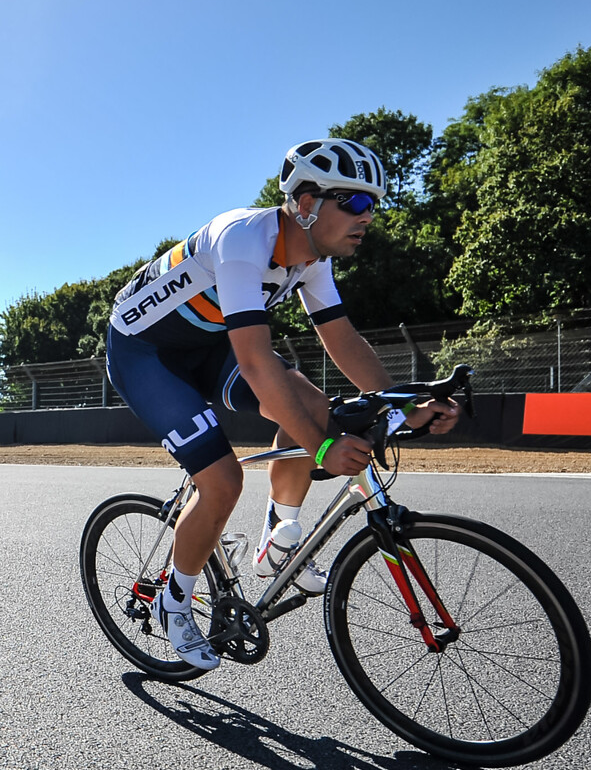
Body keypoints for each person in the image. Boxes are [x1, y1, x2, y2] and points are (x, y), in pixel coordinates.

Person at [105, 138, 460, 671]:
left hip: (207, 346)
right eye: (356, 203)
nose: (368, 218)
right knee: (223, 480)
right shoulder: (243, 240)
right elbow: (255, 362)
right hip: (146, 354)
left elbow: (341, 339)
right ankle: (174, 602)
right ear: (307, 202)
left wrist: (403, 405)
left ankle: (278, 543)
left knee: (317, 409)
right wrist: (321, 450)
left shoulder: (311, 258)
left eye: (374, 205)